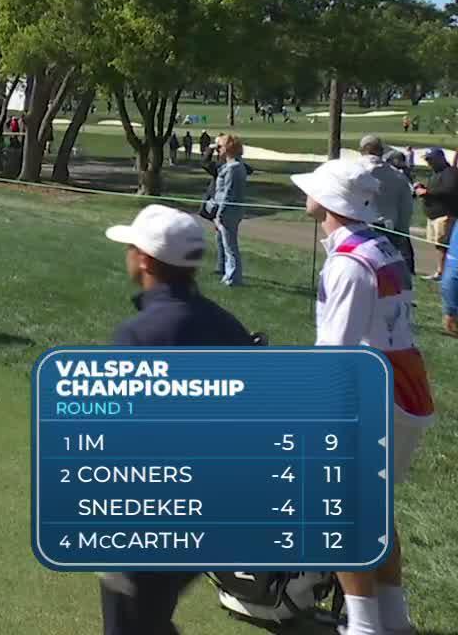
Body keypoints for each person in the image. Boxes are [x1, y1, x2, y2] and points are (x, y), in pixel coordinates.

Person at [96, 204, 255, 635]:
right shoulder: (227, 326)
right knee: (147, 617)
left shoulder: (141, 335)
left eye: (132, 246)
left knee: (129, 622)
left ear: (145, 259)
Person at [292, 159, 435, 635]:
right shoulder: (380, 248)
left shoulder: (349, 263)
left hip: (374, 393)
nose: (305, 196)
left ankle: (365, 626)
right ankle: (393, 620)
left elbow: (337, 355)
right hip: (403, 385)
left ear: (330, 203)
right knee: (374, 510)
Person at [358, 135, 416, 277]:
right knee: (386, 274)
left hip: (356, 227)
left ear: (361, 150)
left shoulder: (351, 169)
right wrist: (401, 232)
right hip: (388, 229)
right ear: (381, 151)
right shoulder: (397, 175)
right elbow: (405, 208)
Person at [204, 134, 249, 287]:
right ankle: (229, 274)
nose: (218, 150)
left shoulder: (233, 168)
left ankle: (233, 277)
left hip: (228, 212)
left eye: (220, 147)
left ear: (228, 149)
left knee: (230, 247)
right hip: (231, 211)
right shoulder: (235, 166)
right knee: (227, 245)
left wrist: (219, 214)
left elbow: (228, 194)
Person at [412, 146, 455, 277]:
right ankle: (440, 270)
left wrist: (427, 192)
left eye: (431, 160)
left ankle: (442, 272)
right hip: (434, 215)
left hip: (445, 214)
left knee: (443, 245)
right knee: (437, 244)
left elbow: (449, 190)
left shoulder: (450, 172)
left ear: (440, 159)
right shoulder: (436, 173)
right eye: (427, 160)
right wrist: (423, 188)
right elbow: (437, 189)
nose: (429, 163)